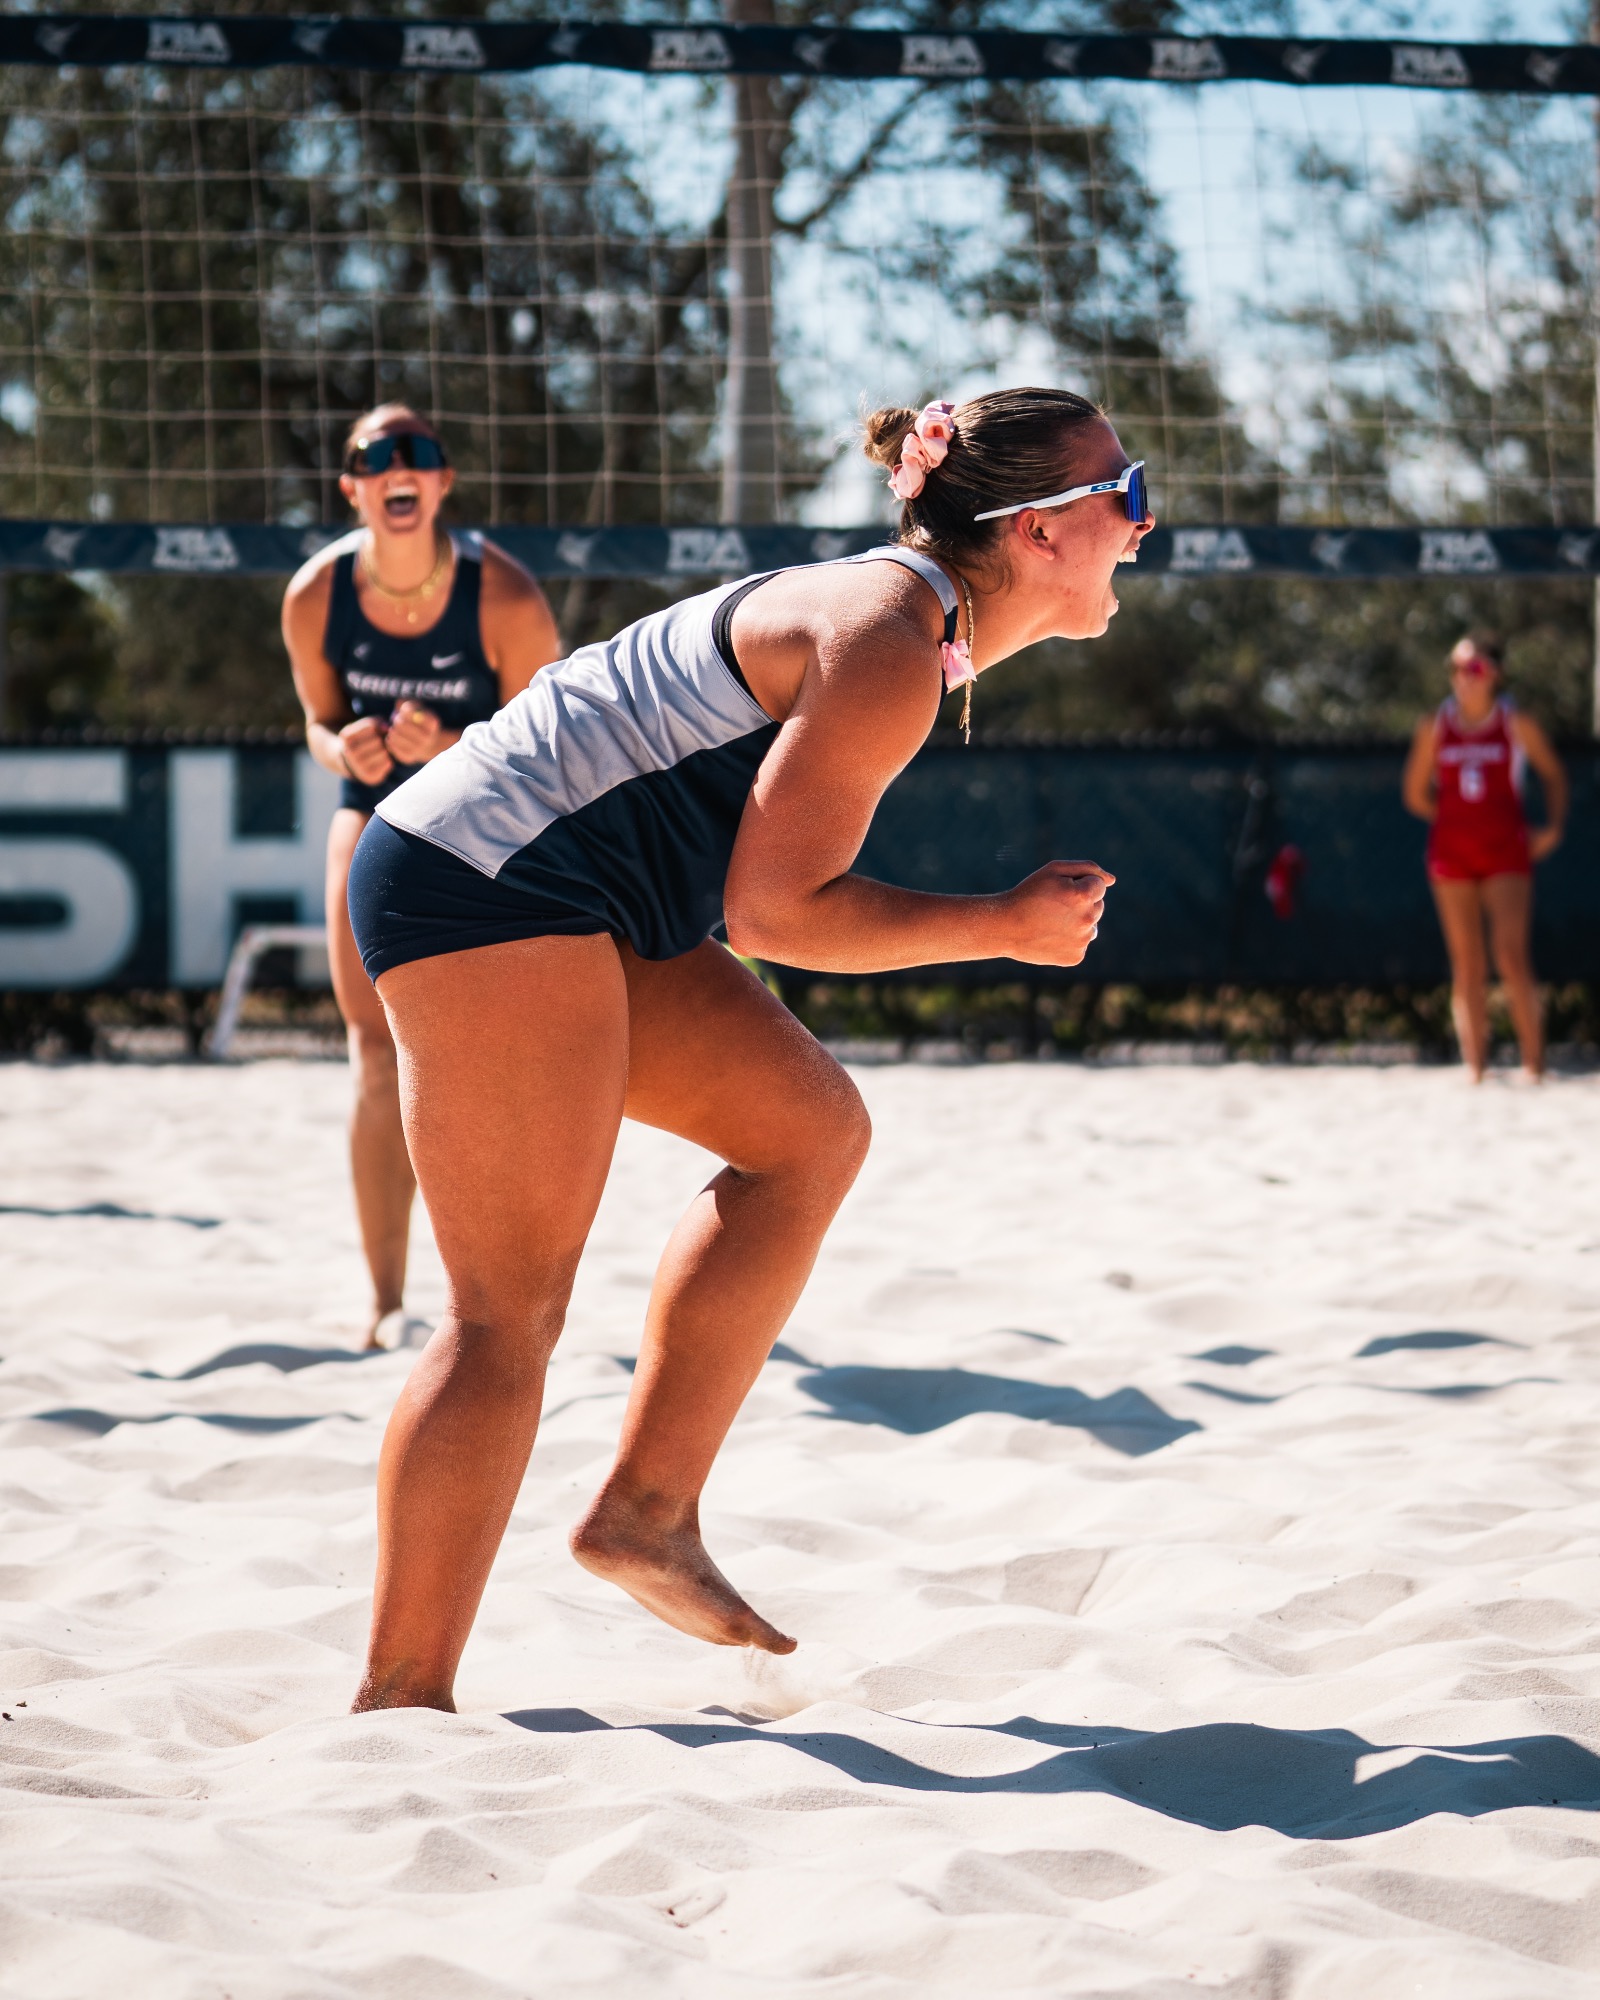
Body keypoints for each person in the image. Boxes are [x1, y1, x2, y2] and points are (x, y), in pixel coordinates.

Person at [344, 387, 1152, 1711]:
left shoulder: (906, 623)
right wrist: (999, 924)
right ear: (1039, 531)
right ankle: (398, 1705)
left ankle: (644, 1514)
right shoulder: (887, 636)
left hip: (583, 891)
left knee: (810, 1135)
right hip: (483, 877)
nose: (1144, 521)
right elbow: (781, 915)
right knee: (505, 1316)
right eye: (1126, 493)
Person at [282, 404, 561, 1347]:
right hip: (370, 817)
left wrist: (452, 746)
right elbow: (319, 724)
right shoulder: (314, 597)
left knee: (490, 1070)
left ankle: (492, 1302)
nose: (398, 466)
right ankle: (384, 1303)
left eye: (420, 453)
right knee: (374, 1056)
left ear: (442, 482)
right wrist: (343, 749)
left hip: (488, 827)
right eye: (376, 456)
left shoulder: (504, 596)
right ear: (351, 488)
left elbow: (555, 746)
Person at [1402, 633, 1567, 1081]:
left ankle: (1534, 1065)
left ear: (1495, 673)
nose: (1464, 678)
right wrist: (1457, 817)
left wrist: (1551, 828)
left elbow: (1553, 774)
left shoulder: (1515, 722)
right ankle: (1476, 1068)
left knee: (1511, 956)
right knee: (1467, 963)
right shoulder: (1435, 726)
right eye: (1456, 668)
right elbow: (1415, 794)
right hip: (1451, 853)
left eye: (1473, 668)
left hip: (1506, 851)